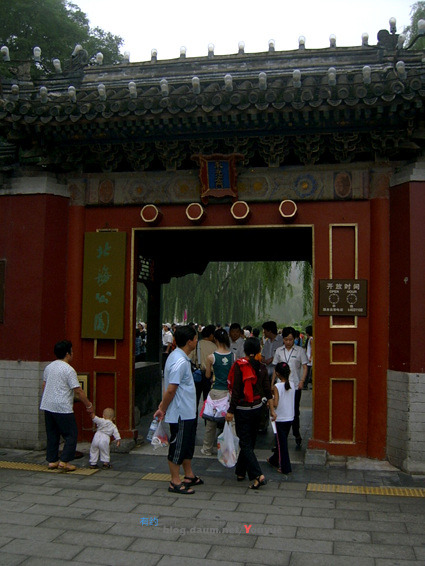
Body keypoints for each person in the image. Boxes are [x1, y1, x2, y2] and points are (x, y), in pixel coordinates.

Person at [154, 325, 204, 495]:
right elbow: (171, 389)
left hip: (187, 411)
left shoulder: (179, 357)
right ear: (189, 342)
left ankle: (189, 475)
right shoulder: (180, 362)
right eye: (195, 339)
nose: (197, 341)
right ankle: (175, 481)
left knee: (187, 444)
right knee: (178, 445)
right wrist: (162, 408)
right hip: (180, 412)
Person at [225, 337, 274, 489]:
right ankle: (240, 472)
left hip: (242, 409)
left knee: (245, 442)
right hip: (258, 409)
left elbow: (236, 390)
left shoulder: (239, 366)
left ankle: (257, 475)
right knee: (250, 441)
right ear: (259, 350)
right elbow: (267, 390)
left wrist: (231, 410)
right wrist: (272, 409)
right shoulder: (262, 367)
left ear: (245, 350)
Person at [40, 340, 94, 472]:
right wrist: (88, 405)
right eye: (72, 351)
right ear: (67, 353)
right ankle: (64, 461)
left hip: (47, 405)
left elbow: (44, 386)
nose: (73, 353)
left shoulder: (49, 367)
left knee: (52, 434)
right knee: (71, 434)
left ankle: (52, 460)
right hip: (62, 407)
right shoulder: (69, 370)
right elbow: (78, 390)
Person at [272, 326, 308, 450]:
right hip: (280, 385)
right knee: (279, 409)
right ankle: (279, 437)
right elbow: (275, 369)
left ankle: (296, 433)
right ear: (283, 339)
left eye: (291, 339)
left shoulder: (299, 351)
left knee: (295, 410)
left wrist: (302, 381)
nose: (288, 342)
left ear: (295, 339)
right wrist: (272, 383)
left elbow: (305, 367)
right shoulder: (279, 351)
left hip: (295, 385)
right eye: (286, 339)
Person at [200, 328, 234, 456]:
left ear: (215, 339)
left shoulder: (211, 357)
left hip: (215, 391)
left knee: (211, 422)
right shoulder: (233, 356)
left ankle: (207, 449)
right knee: (230, 422)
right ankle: (230, 450)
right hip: (228, 392)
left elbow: (208, 375)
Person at [270, 362, 294, 477]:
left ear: (278, 374)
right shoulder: (292, 384)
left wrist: (270, 402)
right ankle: (274, 459)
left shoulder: (277, 386)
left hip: (280, 418)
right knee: (282, 441)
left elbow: (275, 403)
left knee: (281, 443)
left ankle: (285, 467)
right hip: (290, 416)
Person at [191, 324, 217, 410]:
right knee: (207, 400)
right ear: (211, 335)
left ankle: (194, 416)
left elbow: (191, 358)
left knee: (195, 399)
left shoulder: (197, 344)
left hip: (198, 374)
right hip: (210, 376)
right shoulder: (215, 346)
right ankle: (207, 416)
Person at [304, 325, 313, 390]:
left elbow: (312, 348)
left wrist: (310, 357)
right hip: (308, 357)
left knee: (307, 371)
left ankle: (305, 384)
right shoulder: (310, 339)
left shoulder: (311, 339)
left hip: (309, 357)